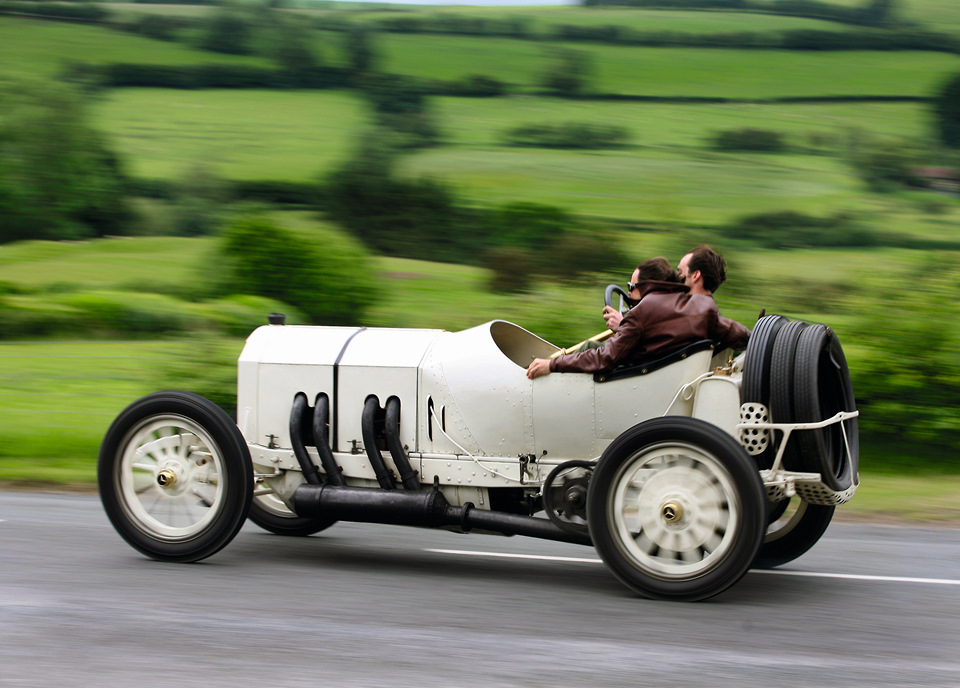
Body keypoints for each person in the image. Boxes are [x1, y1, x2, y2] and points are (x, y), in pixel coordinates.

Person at [526, 256, 749, 379]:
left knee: (589, 348)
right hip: (661, 372)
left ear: (645, 286)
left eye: (631, 286)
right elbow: (739, 334)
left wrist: (553, 365)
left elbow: (606, 358)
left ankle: (538, 367)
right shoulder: (703, 307)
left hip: (632, 377)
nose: (629, 292)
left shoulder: (645, 310)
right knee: (590, 347)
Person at [603, 244, 728, 332]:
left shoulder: (690, 314)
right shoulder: (712, 314)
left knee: (588, 347)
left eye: (680, 272)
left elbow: (658, 347)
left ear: (695, 275)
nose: (676, 278)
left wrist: (623, 326)